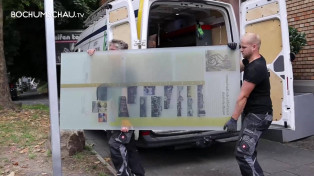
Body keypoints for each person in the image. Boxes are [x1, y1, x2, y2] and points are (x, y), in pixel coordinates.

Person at [88, 39, 145, 176]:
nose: (109, 53)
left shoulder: (126, 70)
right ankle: (138, 173)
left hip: (125, 114)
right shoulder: (113, 69)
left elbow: (128, 95)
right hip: (115, 114)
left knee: (116, 144)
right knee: (129, 147)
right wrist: (93, 56)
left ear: (121, 53)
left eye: (112, 50)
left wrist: (125, 119)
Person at [223, 33, 273, 176]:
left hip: (258, 117)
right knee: (248, 152)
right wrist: (230, 53)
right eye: (240, 47)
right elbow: (235, 68)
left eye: (243, 47)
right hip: (256, 115)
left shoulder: (256, 68)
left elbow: (243, 96)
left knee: (243, 153)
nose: (241, 50)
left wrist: (233, 119)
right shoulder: (251, 61)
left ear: (254, 47)